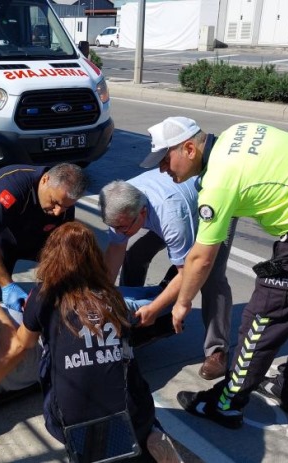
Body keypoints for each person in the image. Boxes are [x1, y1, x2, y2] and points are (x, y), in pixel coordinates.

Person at [150, 117, 288, 429]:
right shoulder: (237, 133)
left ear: (188, 149)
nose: (162, 169)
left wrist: (182, 302)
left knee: (260, 322)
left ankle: (226, 404)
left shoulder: (219, 181)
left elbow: (200, 258)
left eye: (164, 160)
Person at [10, 222, 182, 462]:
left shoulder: (44, 295)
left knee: (48, 351)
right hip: (132, 416)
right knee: (126, 365)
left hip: (70, 425)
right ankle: (150, 432)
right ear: (94, 258)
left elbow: (23, 344)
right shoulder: (112, 296)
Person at [99, 126, 237, 381]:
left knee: (211, 278)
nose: (119, 232)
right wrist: (102, 294)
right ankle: (132, 320)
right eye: (115, 226)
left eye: (123, 228)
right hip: (165, 211)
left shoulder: (171, 216)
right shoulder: (121, 204)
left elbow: (188, 272)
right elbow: (116, 249)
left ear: (141, 214)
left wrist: (155, 307)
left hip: (212, 209)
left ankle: (217, 350)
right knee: (135, 255)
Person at [0, 163, 88, 311]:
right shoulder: (12, 185)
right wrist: (7, 285)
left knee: (71, 277)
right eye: (54, 202)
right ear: (44, 180)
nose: (57, 212)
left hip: (31, 237)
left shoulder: (62, 204)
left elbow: (63, 248)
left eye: (66, 207)